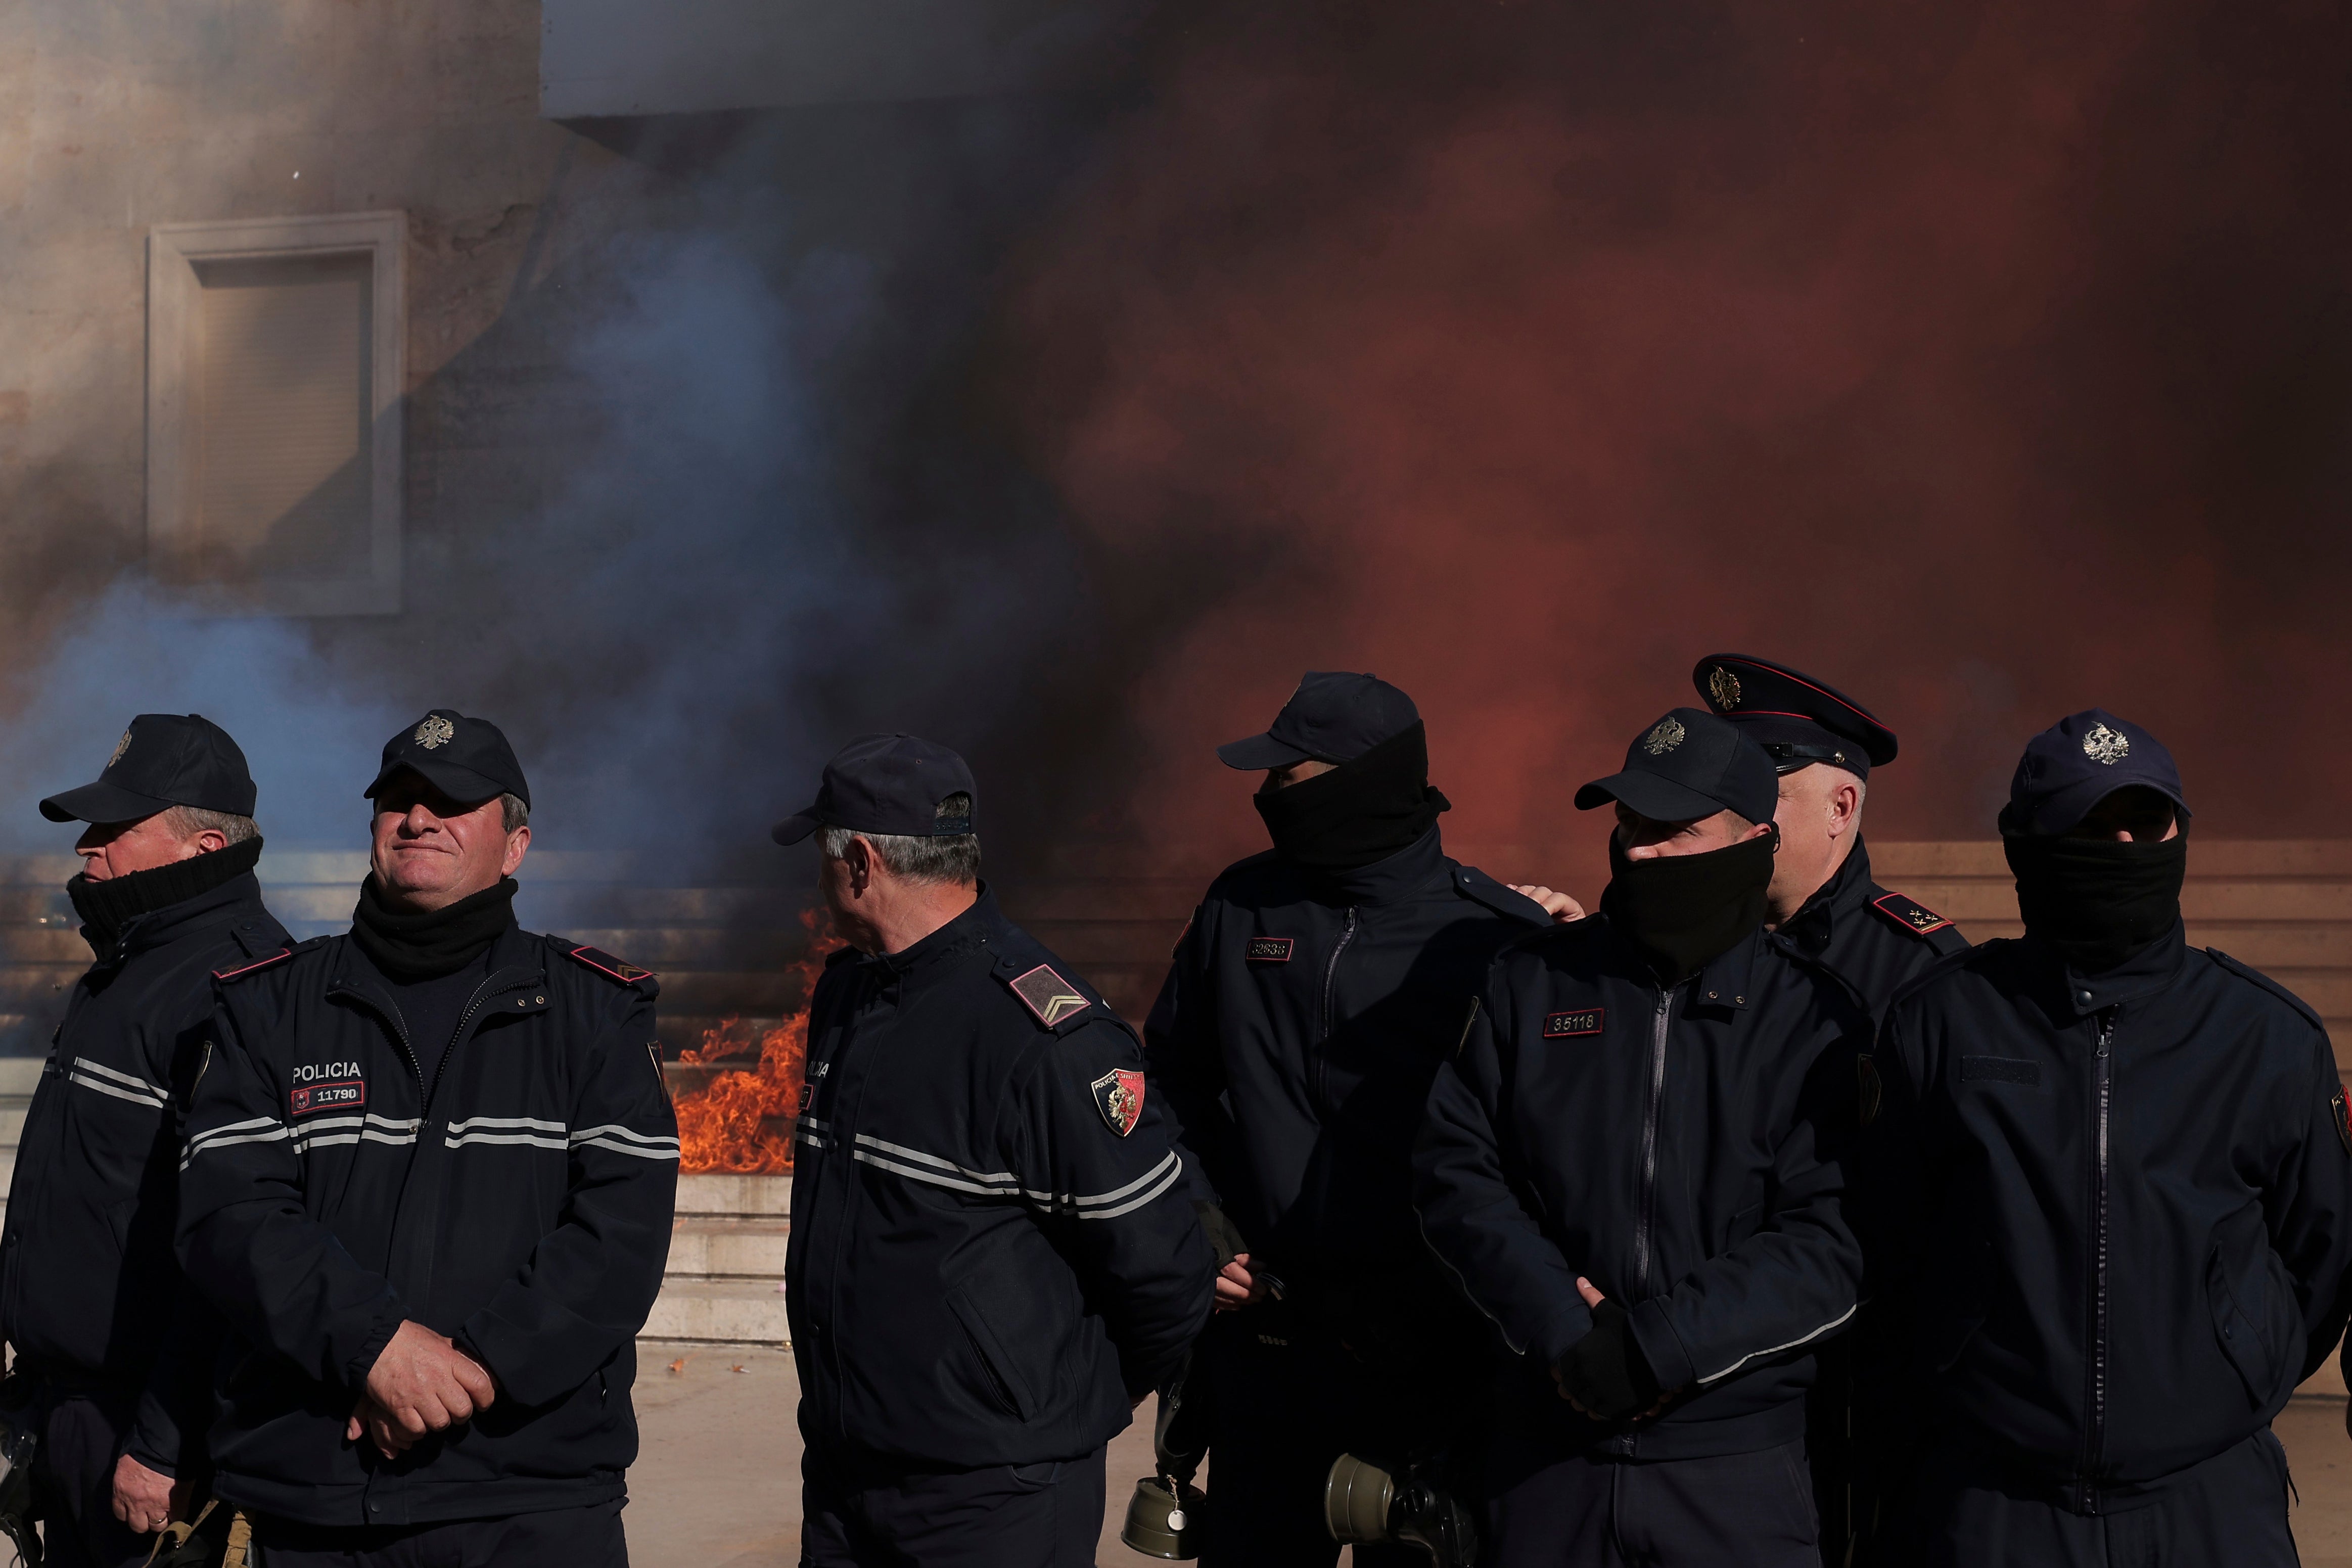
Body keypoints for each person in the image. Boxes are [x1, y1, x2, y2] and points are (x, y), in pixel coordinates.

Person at [175, 710, 678, 1566]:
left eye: (451, 801)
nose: (418, 817)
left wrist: (472, 1370)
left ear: (515, 846)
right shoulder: (267, 1005)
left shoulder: (597, 1011)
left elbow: (619, 1235)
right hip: (320, 1492)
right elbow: (231, 1214)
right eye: (398, 798)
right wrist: (372, 1347)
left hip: (532, 1497)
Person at [1859, 710, 2352, 1566]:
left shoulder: (2268, 1036)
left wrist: (2234, 1364)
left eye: (2144, 820)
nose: (2123, 844)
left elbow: (2321, 1258)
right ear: (2025, 845)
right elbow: (1890, 1245)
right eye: (2091, 825)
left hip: (2209, 1507)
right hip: (1992, 1504)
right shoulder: (1940, 1021)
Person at [1414, 707, 1871, 1568]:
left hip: (1735, 1470)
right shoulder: (1531, 981)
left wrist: (1658, 1348)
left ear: (1755, 840)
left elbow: (1833, 1235)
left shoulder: (1816, 1018)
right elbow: (1457, 1173)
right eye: (1629, 823)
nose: (1639, 850)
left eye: (1674, 829)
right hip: (1547, 1459)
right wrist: (1565, 1332)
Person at [1141, 670, 1552, 1566]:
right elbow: (1168, 1080)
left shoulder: (1492, 937)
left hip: (1433, 1362)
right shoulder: (1239, 906)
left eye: (1287, 776)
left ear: (1363, 781)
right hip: (1269, 1345)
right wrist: (1199, 1217)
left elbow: (1537, 1155)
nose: (1264, 795)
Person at [775, 733, 1213, 1568]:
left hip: (994, 1495)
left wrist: (1043, 1404)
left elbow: (1164, 1272)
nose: (818, 880)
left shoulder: (1044, 1035)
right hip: (844, 1474)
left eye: (822, 857)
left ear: (860, 862)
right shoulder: (847, 995)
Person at [1690, 653, 1969, 1562]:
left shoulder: (1921, 973)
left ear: (1841, 806)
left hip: (1860, 1392)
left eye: (1757, 785)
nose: (1726, 804)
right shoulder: (1684, 946)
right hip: (1707, 1383)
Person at [0, 715, 289, 1566]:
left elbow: (236, 1251)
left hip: (147, 1438)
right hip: (72, 1411)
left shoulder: (241, 987)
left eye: (115, 826)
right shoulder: (127, 966)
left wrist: (166, 1440)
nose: (87, 846)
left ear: (204, 846)